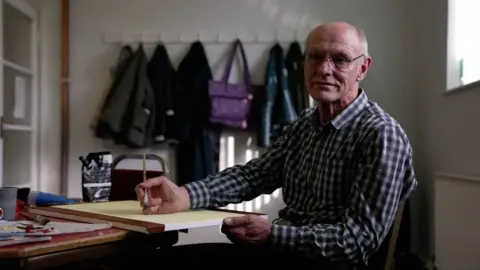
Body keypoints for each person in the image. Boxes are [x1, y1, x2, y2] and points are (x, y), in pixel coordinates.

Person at [134, 21, 418, 269]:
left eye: (340, 59)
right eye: (315, 57)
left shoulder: (381, 135)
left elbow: (357, 242)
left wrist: (272, 235)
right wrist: (185, 195)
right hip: (281, 255)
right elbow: (254, 175)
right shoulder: (306, 123)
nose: (324, 69)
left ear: (363, 68)